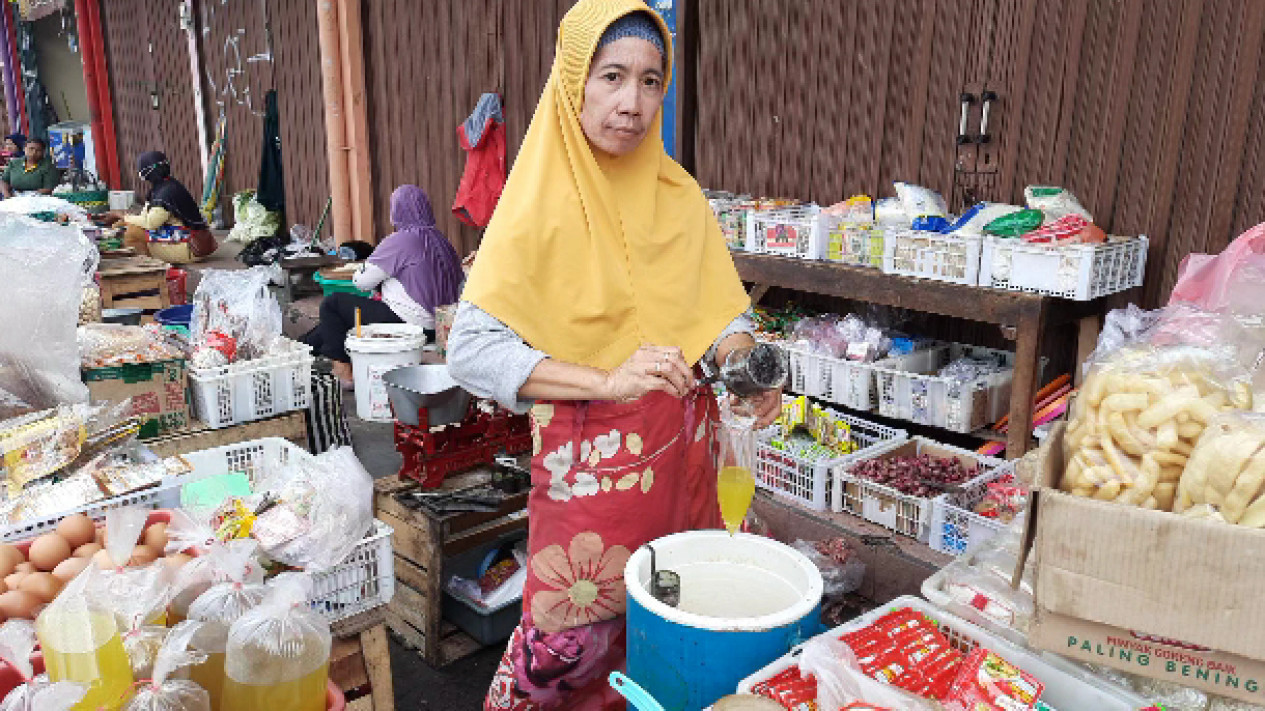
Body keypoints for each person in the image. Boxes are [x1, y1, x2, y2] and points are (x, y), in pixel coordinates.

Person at [447, 3, 780, 708]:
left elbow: (719, 314)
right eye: (611, 77)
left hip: (691, 471)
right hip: (594, 495)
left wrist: (744, 362)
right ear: (573, 82)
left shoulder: (678, 195)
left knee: (682, 643)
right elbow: (471, 350)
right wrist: (605, 377)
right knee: (574, 661)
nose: (631, 102)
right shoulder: (534, 206)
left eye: (650, 80)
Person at [302, 184, 463, 386]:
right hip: (438, 326)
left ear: (396, 211)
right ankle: (300, 350)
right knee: (331, 325)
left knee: (332, 305)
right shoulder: (442, 241)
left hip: (408, 321)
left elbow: (362, 282)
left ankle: (343, 370)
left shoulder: (401, 240)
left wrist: (368, 270)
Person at [101, 151, 217, 262]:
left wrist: (123, 216)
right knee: (128, 227)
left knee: (132, 234)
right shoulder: (164, 186)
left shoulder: (165, 193)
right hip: (187, 239)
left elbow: (150, 223)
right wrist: (123, 219)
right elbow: (144, 217)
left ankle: (145, 266)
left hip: (191, 247)